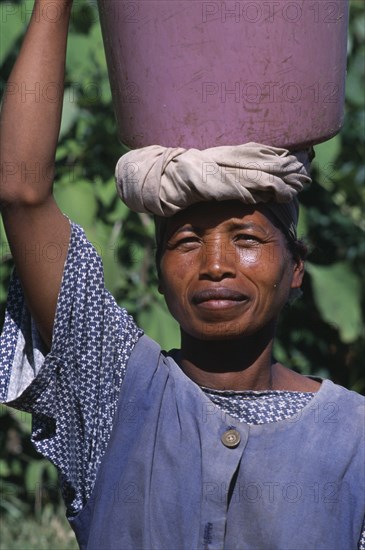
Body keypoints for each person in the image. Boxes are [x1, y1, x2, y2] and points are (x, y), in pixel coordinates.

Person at [0, 1, 364, 549]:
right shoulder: (112, 387)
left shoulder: (354, 438)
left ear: (295, 268)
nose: (214, 265)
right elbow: (21, 192)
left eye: (246, 239)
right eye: (187, 241)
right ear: (159, 267)